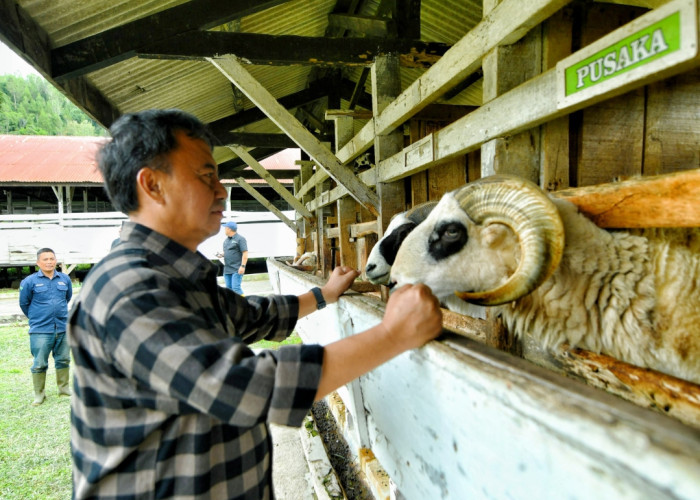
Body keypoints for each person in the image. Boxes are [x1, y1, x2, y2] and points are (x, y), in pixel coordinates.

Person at [68, 108, 443, 500]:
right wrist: (393, 334)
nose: (221, 190)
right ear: (153, 185)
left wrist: (324, 294)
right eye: (206, 175)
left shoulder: (177, 279)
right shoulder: (127, 289)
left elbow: (252, 316)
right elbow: (242, 386)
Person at [19, 247, 73, 406]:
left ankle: (64, 389)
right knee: (39, 363)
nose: (49, 262)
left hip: (63, 327)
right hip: (41, 330)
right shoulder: (29, 281)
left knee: (63, 359)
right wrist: (38, 317)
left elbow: (67, 298)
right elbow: (24, 303)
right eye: (45, 259)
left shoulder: (64, 279)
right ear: (38, 263)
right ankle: (39, 394)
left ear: (56, 261)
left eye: (52, 259)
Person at [218, 220, 248, 294]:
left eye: (225, 228)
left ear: (229, 229)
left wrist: (243, 266)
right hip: (227, 268)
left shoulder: (240, 239)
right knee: (229, 289)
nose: (224, 230)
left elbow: (245, 253)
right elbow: (228, 251)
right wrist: (221, 254)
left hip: (237, 268)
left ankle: (245, 303)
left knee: (236, 288)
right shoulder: (226, 240)